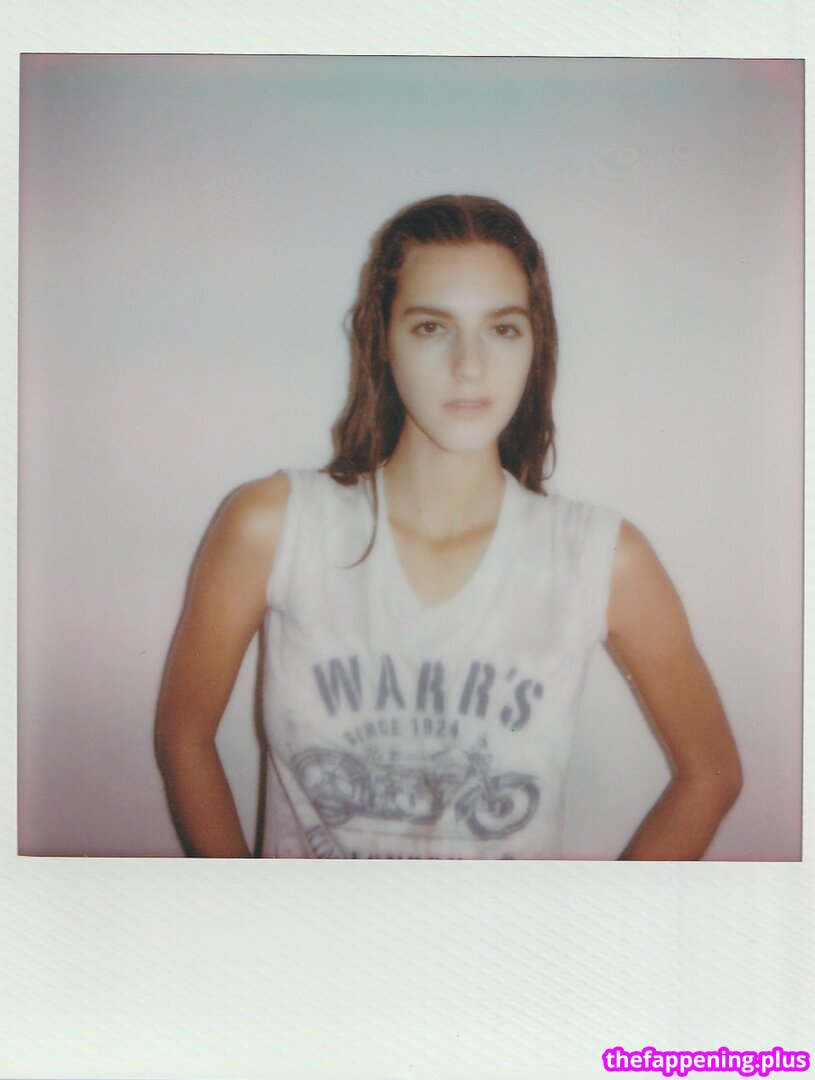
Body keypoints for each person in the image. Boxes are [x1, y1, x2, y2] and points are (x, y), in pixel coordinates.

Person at [155, 194, 742, 860]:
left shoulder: (599, 558)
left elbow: (711, 775)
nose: (469, 365)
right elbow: (183, 735)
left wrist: (593, 924)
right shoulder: (274, 525)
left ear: (536, 345)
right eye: (431, 327)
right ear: (382, 339)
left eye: (503, 329)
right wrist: (243, 914)